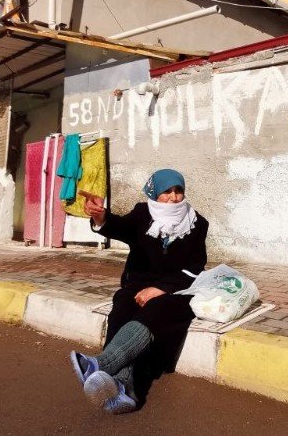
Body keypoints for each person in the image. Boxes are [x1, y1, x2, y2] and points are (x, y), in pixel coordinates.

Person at [69, 169, 208, 414]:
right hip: (137, 285)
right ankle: (124, 388)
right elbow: (120, 227)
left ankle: (100, 364)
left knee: (156, 309)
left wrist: (162, 289)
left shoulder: (197, 223)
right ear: (154, 193)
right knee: (122, 306)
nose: (174, 198)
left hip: (176, 291)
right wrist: (101, 217)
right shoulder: (142, 213)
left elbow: (195, 268)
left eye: (178, 191)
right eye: (167, 191)